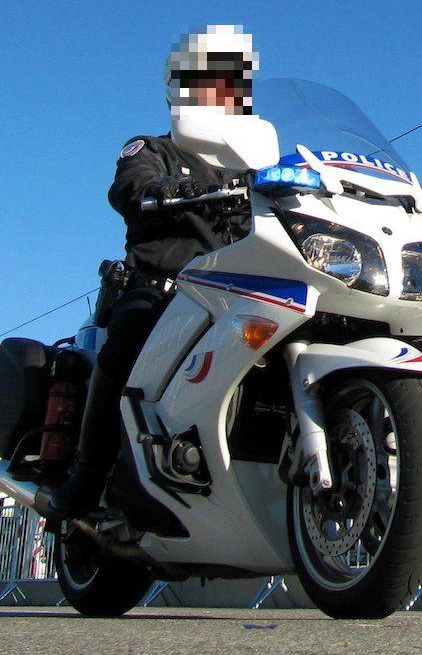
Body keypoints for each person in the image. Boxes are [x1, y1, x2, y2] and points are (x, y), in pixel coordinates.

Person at [42, 25, 259, 518]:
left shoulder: (248, 166)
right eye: (210, 78)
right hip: (159, 291)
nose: (223, 90)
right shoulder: (152, 149)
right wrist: (161, 191)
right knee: (125, 350)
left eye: (232, 80)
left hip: (227, 296)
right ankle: (87, 474)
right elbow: (130, 188)